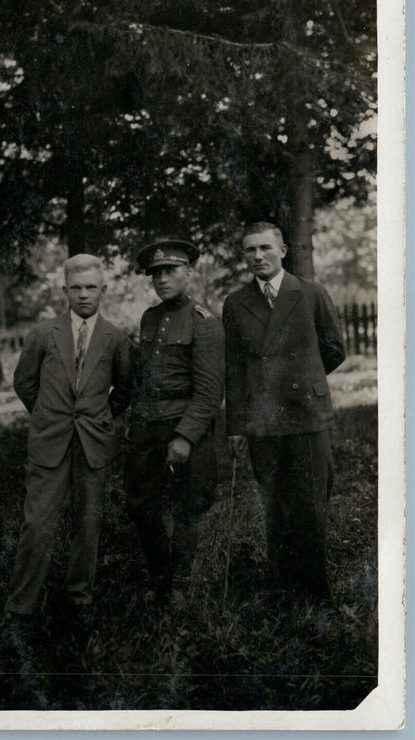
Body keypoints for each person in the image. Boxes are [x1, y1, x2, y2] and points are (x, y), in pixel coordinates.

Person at [4, 254, 131, 628]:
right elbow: (24, 382)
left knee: (88, 523)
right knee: (37, 522)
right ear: (64, 290)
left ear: (103, 290)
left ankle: (80, 598)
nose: (84, 295)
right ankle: (22, 605)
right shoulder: (44, 334)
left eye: (91, 287)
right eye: (76, 287)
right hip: (50, 442)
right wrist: (47, 415)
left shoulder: (116, 338)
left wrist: (99, 418)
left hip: (93, 442)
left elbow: (124, 389)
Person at [222, 222, 346, 602]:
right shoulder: (236, 303)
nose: (257, 256)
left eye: (264, 248)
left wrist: (303, 381)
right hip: (264, 422)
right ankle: (282, 592)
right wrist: (237, 426)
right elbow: (235, 368)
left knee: (310, 507)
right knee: (274, 506)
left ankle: (317, 596)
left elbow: (335, 349)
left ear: (283, 250)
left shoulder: (309, 294)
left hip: (307, 417)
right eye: (249, 250)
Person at [125, 239, 225, 605]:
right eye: (156, 273)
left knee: (188, 506)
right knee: (140, 505)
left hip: (186, 427)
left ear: (188, 272)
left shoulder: (206, 322)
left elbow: (210, 392)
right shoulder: (149, 318)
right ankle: (159, 576)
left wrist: (184, 437)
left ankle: (180, 584)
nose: (163, 279)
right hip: (148, 426)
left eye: (170, 271)